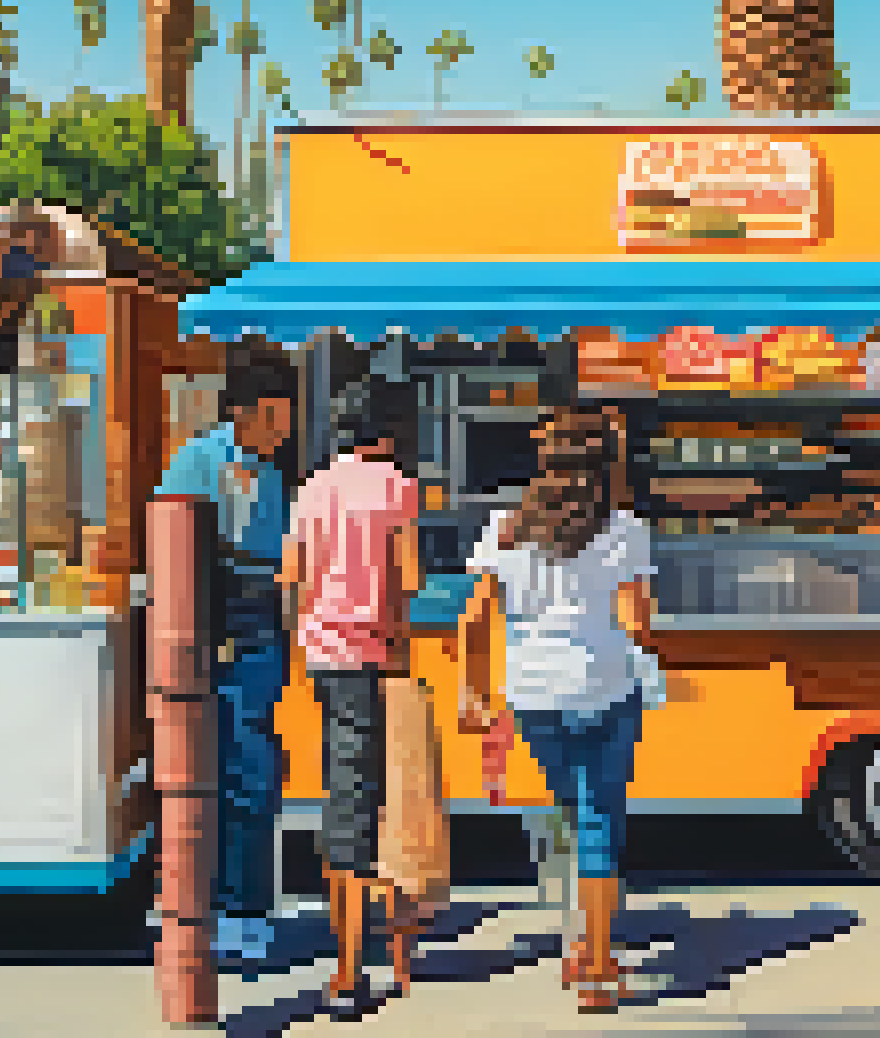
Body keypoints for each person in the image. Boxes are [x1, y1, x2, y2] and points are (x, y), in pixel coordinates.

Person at [458, 406, 665, 1012]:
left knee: (573, 813)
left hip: (534, 694)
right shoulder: (624, 528)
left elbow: (473, 617)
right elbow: (637, 624)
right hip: (604, 687)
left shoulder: (505, 526)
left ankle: (582, 940)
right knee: (599, 821)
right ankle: (598, 967)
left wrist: (475, 692)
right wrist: (649, 636)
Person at [282, 379, 423, 1009]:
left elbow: (295, 580)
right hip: (376, 656)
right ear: (388, 435)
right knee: (376, 801)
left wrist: (305, 633)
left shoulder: (312, 489)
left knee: (347, 794)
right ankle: (359, 966)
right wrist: (396, 646)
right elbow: (406, 580)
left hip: (323, 657)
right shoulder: (397, 488)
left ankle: (353, 957)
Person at [155, 344, 297, 965]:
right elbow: (175, 548)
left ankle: (249, 904)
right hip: (216, 620)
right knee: (224, 767)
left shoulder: (270, 470)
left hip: (264, 620)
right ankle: (225, 907)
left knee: (258, 764)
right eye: (276, 415)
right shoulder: (199, 460)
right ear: (245, 413)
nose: (285, 428)